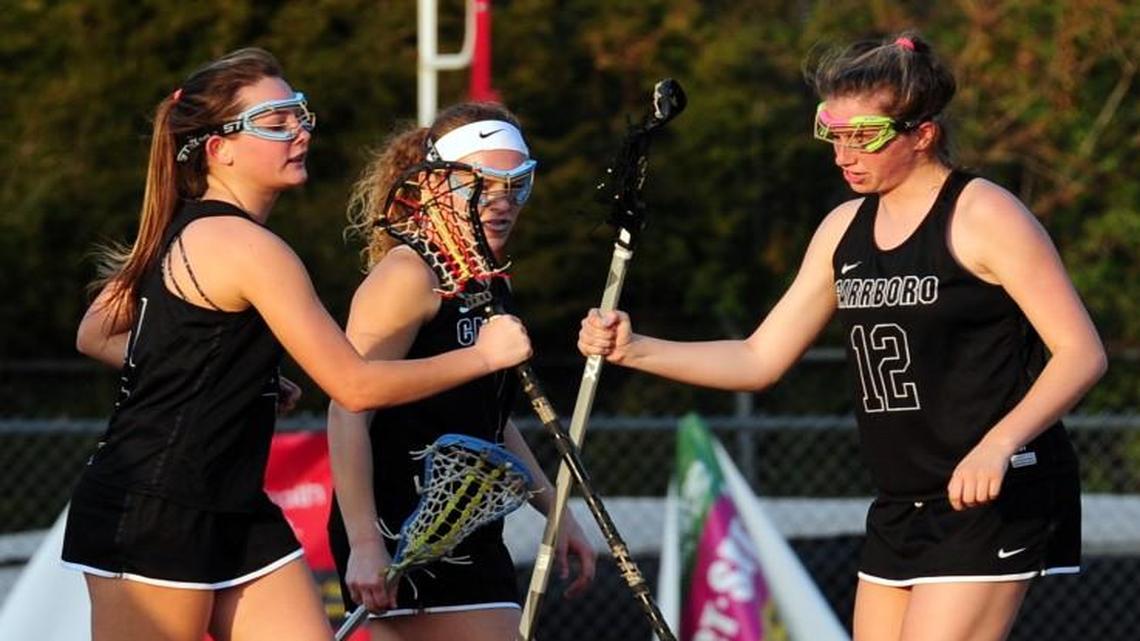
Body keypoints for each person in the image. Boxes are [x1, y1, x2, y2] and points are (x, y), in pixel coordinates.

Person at [578, 32, 1106, 641]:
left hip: (993, 494)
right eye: (835, 135)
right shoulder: (842, 230)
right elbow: (758, 357)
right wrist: (634, 348)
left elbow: (1080, 352)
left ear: (923, 133)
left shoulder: (984, 214)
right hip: (901, 502)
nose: (844, 155)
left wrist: (998, 443)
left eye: (865, 138)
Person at [64, 48, 531, 641]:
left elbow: (98, 333)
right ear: (219, 147)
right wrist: (484, 356)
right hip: (155, 509)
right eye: (275, 122)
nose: (300, 132)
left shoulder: (199, 228)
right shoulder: (247, 246)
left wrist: (234, 372)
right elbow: (354, 387)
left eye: (300, 115)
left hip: (237, 509)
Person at [327, 102, 597, 641]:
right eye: (482, 186)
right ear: (431, 187)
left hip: (469, 525)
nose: (502, 204)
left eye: (517, 187)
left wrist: (556, 509)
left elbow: (489, 415)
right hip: (400, 527)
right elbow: (347, 408)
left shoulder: (488, 279)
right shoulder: (407, 276)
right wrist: (363, 541)